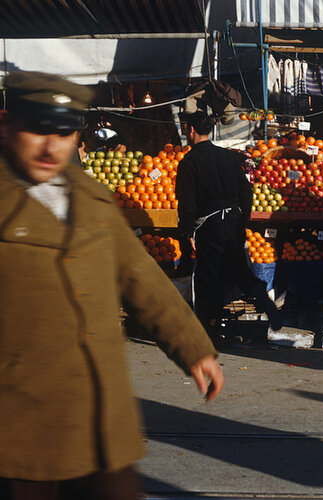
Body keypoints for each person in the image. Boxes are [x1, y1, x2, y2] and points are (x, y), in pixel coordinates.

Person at [0, 71, 224, 500]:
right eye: (38, 129)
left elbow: (139, 277)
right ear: (7, 126)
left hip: (100, 418)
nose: (51, 146)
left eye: (65, 131)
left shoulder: (92, 198)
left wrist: (194, 348)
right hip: (18, 425)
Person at [175, 111, 281, 338]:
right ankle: (265, 302)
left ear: (191, 131)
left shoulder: (189, 162)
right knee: (238, 269)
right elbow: (246, 190)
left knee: (208, 276)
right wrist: (242, 220)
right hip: (233, 220)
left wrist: (188, 232)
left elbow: (187, 202)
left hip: (209, 225)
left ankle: (209, 329)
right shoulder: (229, 157)